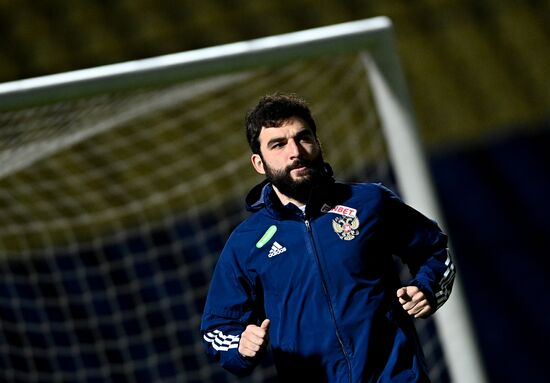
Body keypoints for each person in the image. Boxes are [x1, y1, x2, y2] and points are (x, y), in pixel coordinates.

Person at [200, 93, 455, 382]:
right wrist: (239, 345)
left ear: (318, 144)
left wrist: (426, 288)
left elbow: (435, 251)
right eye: (278, 144)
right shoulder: (245, 242)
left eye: (303, 137)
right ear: (259, 163)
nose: (295, 151)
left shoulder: (369, 202)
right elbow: (217, 328)